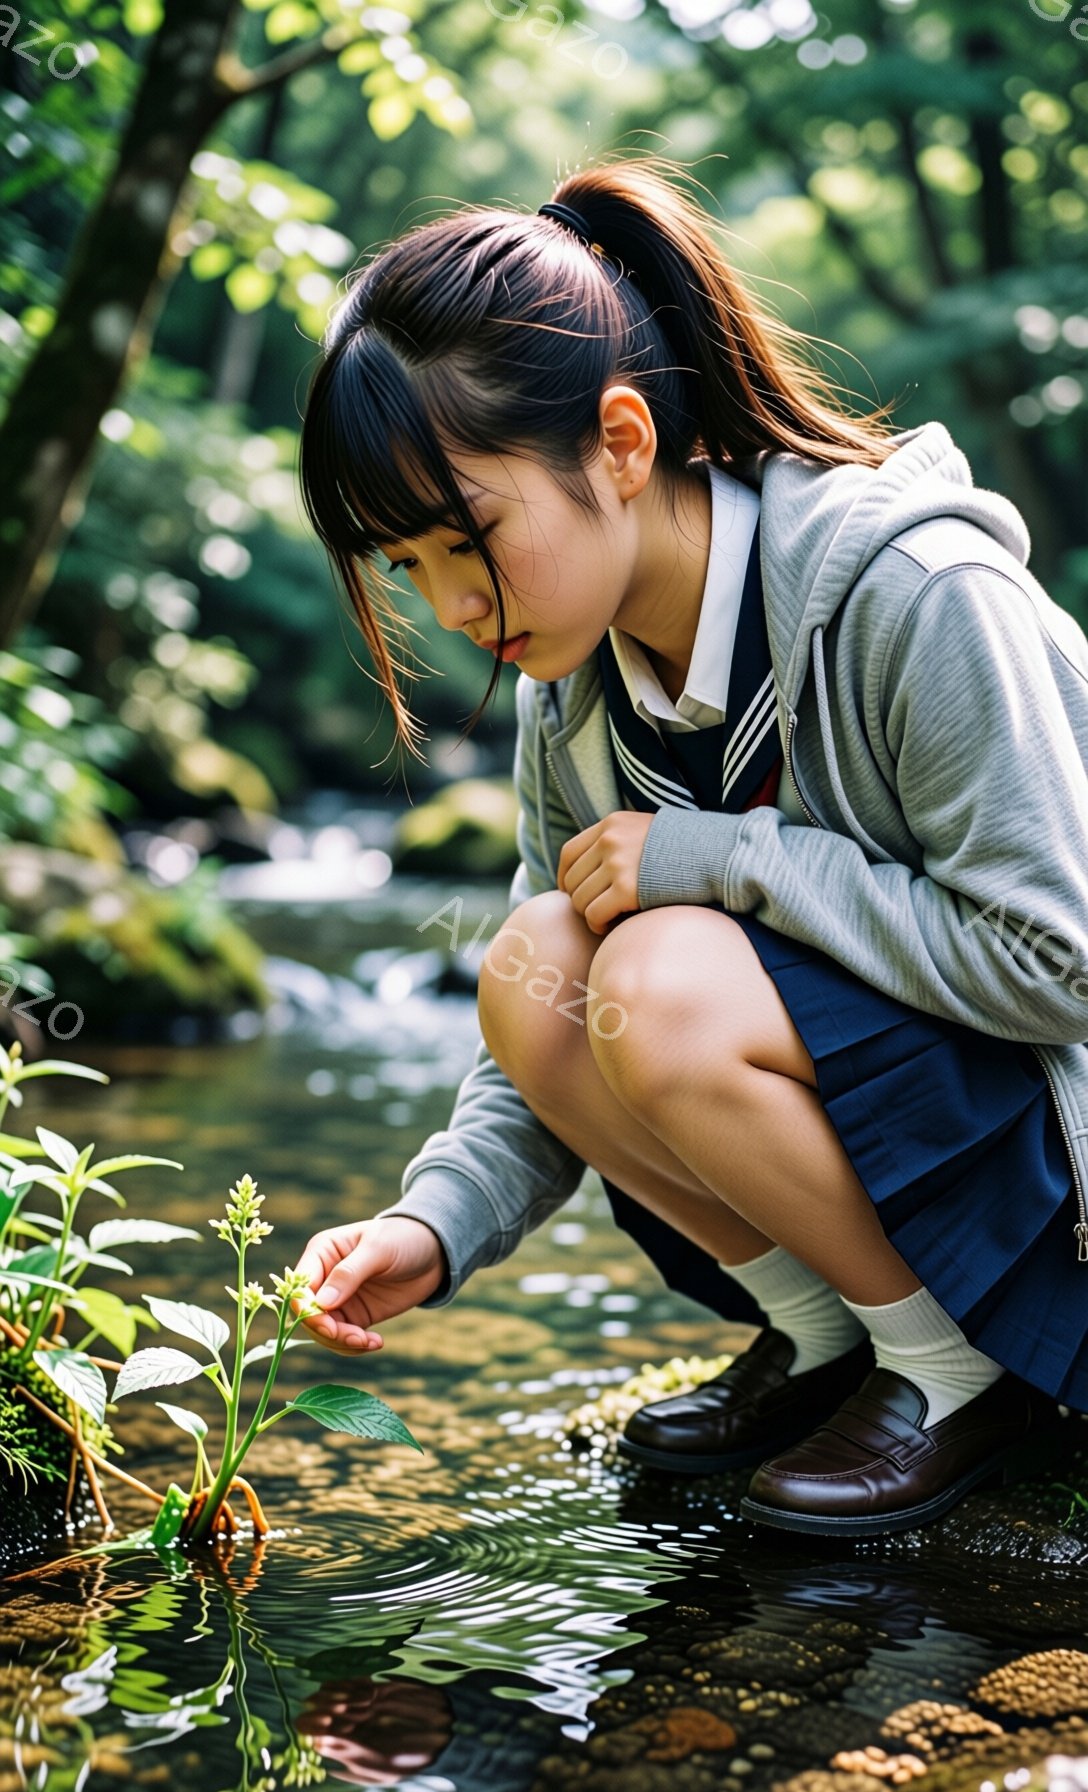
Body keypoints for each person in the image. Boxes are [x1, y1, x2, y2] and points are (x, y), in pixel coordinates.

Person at [290, 153, 1088, 1540]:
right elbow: (537, 1035)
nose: (450, 605)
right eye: (405, 566)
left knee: (652, 969)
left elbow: (1060, 966)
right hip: (901, 1167)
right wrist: (436, 1225)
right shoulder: (572, 689)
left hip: (1053, 1184)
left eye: (466, 539)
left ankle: (962, 1368)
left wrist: (729, 857)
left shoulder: (918, 593)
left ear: (620, 441)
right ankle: (829, 1338)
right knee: (537, 957)